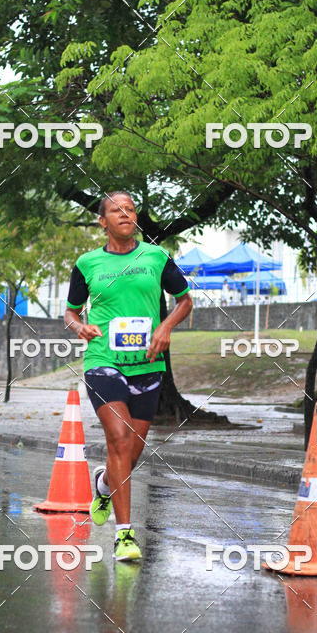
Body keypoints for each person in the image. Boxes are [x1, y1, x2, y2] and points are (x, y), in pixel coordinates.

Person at [64, 191, 192, 561]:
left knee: (130, 454)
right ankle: (124, 535)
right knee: (118, 438)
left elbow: (185, 300)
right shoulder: (87, 263)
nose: (125, 214)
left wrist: (166, 327)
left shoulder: (155, 257)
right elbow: (70, 312)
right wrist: (80, 328)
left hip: (148, 365)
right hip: (104, 360)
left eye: (131, 209)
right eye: (116, 211)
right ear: (102, 222)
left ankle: (103, 485)